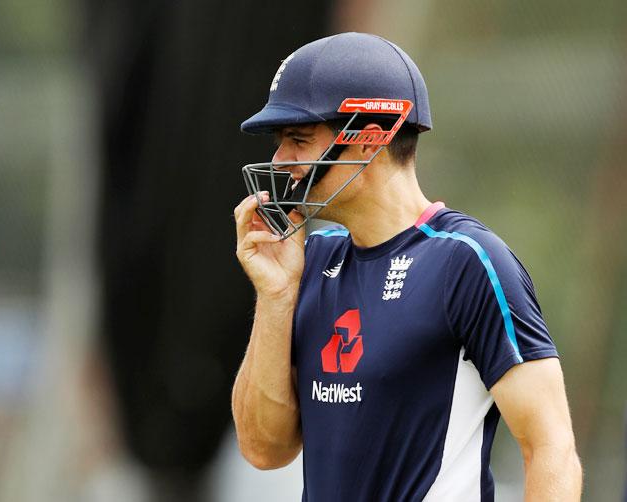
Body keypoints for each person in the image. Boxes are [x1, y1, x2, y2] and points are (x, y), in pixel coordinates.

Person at [232, 32, 582, 501]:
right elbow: (264, 449)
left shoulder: (469, 262)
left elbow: (550, 446)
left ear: (370, 139)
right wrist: (275, 297)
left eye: (298, 139)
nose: (279, 161)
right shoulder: (309, 261)